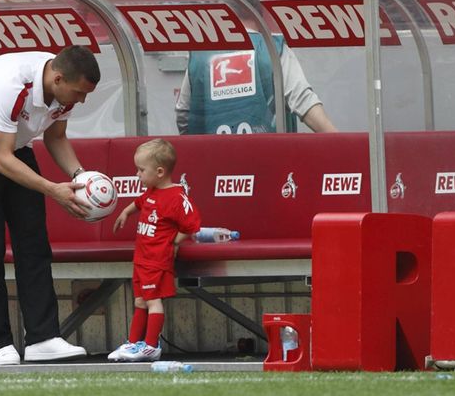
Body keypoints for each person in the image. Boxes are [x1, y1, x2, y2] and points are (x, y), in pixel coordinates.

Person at [0, 45, 102, 365]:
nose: (81, 101)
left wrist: (82, 177)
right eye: (78, 93)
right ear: (58, 79)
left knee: (34, 244)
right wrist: (53, 190)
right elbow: (0, 158)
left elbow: (56, 137)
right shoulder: (10, 83)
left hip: (15, 149)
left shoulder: (63, 90)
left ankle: (43, 338)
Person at [107, 138, 201, 362]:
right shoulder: (151, 191)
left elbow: (192, 226)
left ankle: (150, 346)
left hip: (157, 260)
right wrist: (125, 213)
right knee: (140, 301)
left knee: (153, 301)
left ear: (159, 172)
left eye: (141, 170)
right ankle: (133, 343)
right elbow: (139, 203)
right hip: (141, 258)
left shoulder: (176, 197)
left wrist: (174, 242)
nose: (137, 174)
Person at [176, 30, 338, 134]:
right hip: (269, 163)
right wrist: (339, 143)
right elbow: (304, 102)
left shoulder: (199, 54)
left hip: (212, 166)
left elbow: (183, 114)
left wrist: (193, 151)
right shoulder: (273, 48)